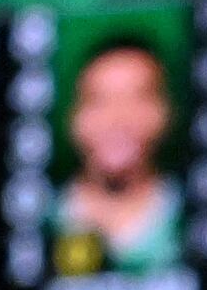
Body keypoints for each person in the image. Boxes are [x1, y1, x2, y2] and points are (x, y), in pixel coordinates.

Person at [53, 38, 179, 275]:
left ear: (166, 112)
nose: (117, 119)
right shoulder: (40, 220)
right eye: (99, 100)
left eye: (138, 98)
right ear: (72, 119)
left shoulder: (192, 219)